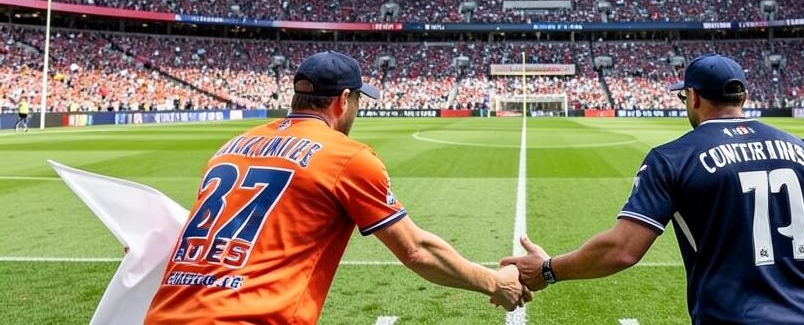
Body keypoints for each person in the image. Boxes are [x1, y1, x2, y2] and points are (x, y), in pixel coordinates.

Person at [502, 54, 804, 325]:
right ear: (744, 97)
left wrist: (548, 271)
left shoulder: (673, 158)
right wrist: (799, 228)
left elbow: (622, 250)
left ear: (694, 97)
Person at [145, 51, 528, 325]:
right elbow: (417, 250)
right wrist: (496, 282)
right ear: (344, 100)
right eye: (359, 100)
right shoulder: (346, 156)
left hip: (163, 314)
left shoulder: (231, 145)